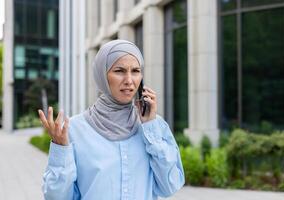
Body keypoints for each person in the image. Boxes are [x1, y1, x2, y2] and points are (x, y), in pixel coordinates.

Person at [38, 39, 185, 200]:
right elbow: (57, 197)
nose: (129, 80)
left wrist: (150, 128)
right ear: (102, 74)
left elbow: (169, 186)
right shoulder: (73, 130)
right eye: (119, 71)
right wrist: (61, 150)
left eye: (135, 71)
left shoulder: (154, 127)